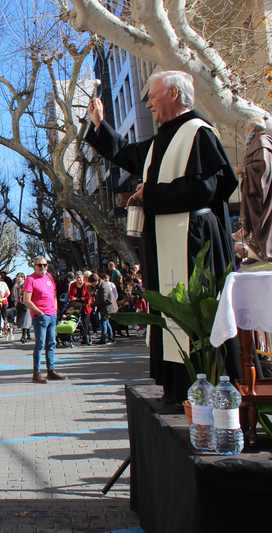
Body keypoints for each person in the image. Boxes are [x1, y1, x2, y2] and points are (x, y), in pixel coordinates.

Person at [87, 69, 238, 402]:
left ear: (173, 94)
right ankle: (177, 389)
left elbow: (208, 188)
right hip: (168, 239)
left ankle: (206, 389)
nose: (148, 103)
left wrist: (148, 195)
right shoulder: (162, 139)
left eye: (152, 96)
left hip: (194, 241)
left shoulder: (198, 132)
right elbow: (126, 155)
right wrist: (100, 125)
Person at [23, 257, 65, 384]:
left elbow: (54, 295)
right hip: (40, 316)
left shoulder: (49, 277)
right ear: (34, 266)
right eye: (39, 265)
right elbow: (26, 300)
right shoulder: (30, 279)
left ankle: (51, 371)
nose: (42, 267)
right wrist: (39, 312)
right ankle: (36, 373)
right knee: (40, 345)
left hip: (52, 315)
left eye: (45, 265)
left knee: (51, 343)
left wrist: (55, 310)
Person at [241, 116, 272, 262]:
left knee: (262, 222)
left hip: (261, 193)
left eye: (246, 130)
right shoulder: (258, 142)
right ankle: (257, 251)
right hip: (256, 192)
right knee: (256, 223)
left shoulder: (261, 142)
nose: (245, 134)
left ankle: (264, 252)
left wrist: (244, 170)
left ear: (252, 130)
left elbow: (262, 166)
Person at [67, 272, 93, 345]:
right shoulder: (72, 285)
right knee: (72, 319)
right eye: (77, 278)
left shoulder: (87, 285)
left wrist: (78, 298)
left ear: (83, 278)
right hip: (76, 306)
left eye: (80, 278)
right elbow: (70, 296)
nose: (79, 280)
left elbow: (88, 298)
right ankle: (69, 337)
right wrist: (80, 299)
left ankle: (86, 338)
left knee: (85, 322)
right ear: (75, 279)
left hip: (85, 306)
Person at [93, 273, 118, 344]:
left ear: (96, 281)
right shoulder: (101, 284)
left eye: (92, 283)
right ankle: (111, 337)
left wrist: (94, 303)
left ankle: (103, 339)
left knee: (103, 322)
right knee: (106, 322)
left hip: (107, 307)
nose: (92, 285)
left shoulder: (103, 286)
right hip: (107, 307)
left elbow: (103, 299)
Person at [12, 273, 32, 343]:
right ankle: (28, 334)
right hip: (19, 304)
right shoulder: (15, 286)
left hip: (26, 304)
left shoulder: (26, 285)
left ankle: (24, 336)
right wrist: (15, 301)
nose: (18, 278)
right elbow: (14, 295)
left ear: (23, 278)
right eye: (17, 277)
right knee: (22, 321)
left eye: (19, 277)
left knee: (25, 320)